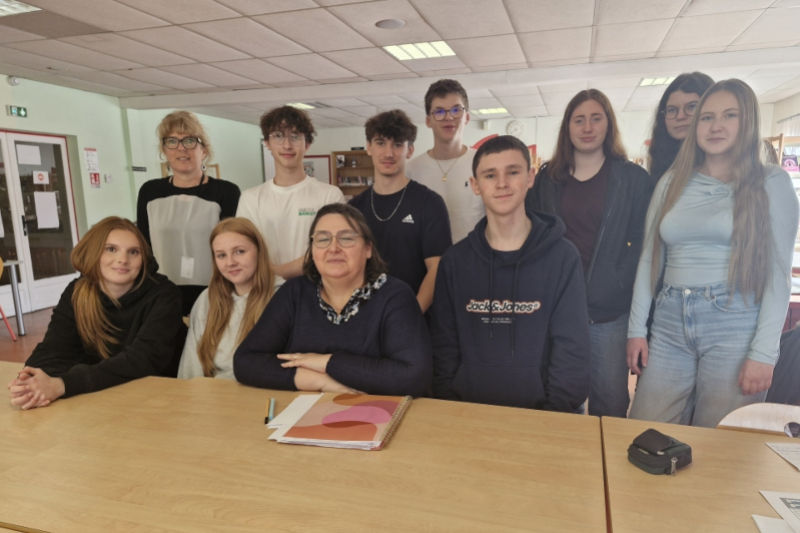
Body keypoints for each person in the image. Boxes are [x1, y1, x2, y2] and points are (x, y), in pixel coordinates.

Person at [627, 79, 800, 428]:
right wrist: (636, 329)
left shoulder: (771, 183)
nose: (716, 125)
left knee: (721, 444)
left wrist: (764, 353)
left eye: (729, 115)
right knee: (643, 431)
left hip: (735, 324)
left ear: (747, 121)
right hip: (670, 320)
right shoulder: (673, 181)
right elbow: (649, 259)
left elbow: (777, 275)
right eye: (706, 117)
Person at [431, 135, 591, 412]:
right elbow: (444, 345)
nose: (502, 183)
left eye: (512, 172)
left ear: (530, 178)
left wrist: (555, 412)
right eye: (490, 175)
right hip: (467, 413)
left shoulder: (562, 257)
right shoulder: (455, 262)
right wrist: (450, 403)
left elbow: (572, 347)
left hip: (545, 415)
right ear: (475, 185)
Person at [524, 89, 654, 418]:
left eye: (596, 118)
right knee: (562, 399)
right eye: (578, 119)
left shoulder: (632, 178)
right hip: (557, 308)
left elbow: (642, 241)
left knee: (609, 402)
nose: (587, 127)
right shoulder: (547, 178)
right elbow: (533, 234)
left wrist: (617, 282)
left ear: (608, 124)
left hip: (608, 313)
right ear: (567, 127)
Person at [234, 203, 432, 397]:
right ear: (312, 250)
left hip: (380, 418)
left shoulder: (395, 296)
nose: (334, 248)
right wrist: (319, 381)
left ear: (368, 249)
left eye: (346, 238)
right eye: (322, 239)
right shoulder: (294, 293)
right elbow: (245, 362)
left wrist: (325, 362)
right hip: (301, 416)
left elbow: (413, 377)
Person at [6, 217, 184, 409]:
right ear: (94, 252)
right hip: (99, 398)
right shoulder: (77, 291)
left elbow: (141, 360)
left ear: (144, 260)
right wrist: (33, 379)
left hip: (156, 399)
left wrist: (62, 384)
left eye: (134, 252)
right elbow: (54, 348)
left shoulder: (165, 294)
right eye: (111, 249)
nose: (123, 259)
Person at [137, 111, 241, 316]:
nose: (181, 148)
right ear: (164, 150)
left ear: (203, 150)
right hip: (162, 292)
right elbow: (143, 244)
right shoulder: (150, 191)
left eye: (190, 141)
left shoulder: (225, 192)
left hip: (213, 293)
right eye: (172, 142)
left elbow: (234, 247)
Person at [349, 109, 451, 312]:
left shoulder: (429, 203)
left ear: (410, 150)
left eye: (397, 145)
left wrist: (410, 314)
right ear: (368, 147)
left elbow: (437, 268)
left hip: (416, 317)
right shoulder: (353, 209)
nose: (388, 153)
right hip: (364, 318)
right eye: (380, 143)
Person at [237, 106, 344, 287]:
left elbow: (331, 250)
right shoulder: (250, 198)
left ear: (307, 144)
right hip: (265, 296)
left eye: (295, 137)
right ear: (267, 143)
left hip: (317, 293)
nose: (287, 145)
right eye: (278, 136)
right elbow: (243, 250)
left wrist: (274, 274)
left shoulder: (329, 196)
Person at [177, 218, 275, 380]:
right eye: (221, 255)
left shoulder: (283, 297)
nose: (230, 262)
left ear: (259, 251)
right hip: (211, 397)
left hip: (261, 396)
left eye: (239, 251)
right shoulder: (206, 299)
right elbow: (190, 369)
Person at [406, 79, 485, 244]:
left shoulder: (483, 164)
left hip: (476, 263)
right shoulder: (411, 171)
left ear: (467, 117)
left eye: (456, 110)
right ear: (428, 120)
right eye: (439, 112)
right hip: (427, 266)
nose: (449, 117)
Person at [648, 72, 715, 181]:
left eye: (692, 106)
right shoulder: (662, 166)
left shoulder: (732, 167)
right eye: (672, 110)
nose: (680, 116)